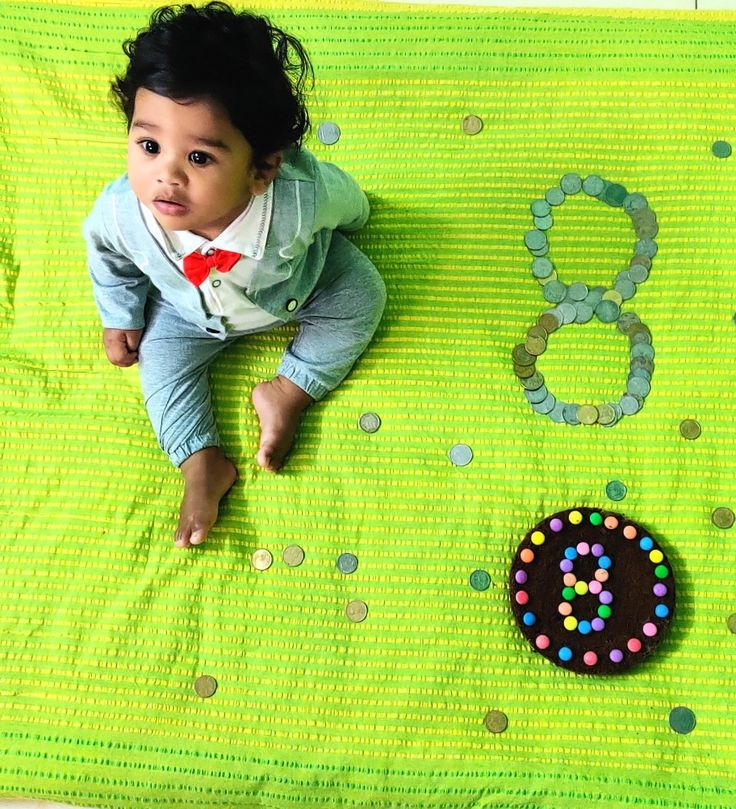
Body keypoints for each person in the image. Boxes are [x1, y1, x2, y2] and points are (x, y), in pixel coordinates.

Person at [83, 2, 386, 549]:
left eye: (199, 158)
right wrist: (120, 315)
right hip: (186, 310)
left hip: (298, 287)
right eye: (148, 146)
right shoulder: (123, 214)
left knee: (362, 293)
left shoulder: (296, 198)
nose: (165, 176)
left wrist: (361, 215)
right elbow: (108, 254)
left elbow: (345, 200)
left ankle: (289, 392)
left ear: (262, 169)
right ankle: (201, 462)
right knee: (159, 368)